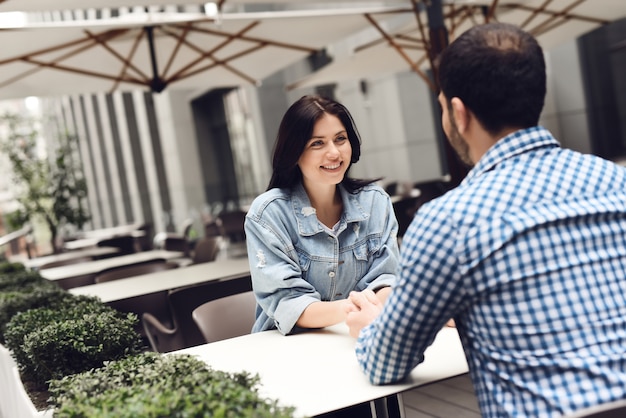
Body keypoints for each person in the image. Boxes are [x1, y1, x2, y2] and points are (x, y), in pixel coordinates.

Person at [345, 22, 626, 418]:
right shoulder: (618, 182)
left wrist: (374, 323)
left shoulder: (448, 222)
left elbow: (385, 363)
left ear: (458, 113)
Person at [244, 94, 400, 336]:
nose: (334, 153)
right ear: (295, 152)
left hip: (357, 337)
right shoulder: (268, 214)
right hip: (290, 348)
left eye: (340, 139)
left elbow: (386, 278)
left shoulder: (374, 202)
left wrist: (373, 308)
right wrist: (354, 308)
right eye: (317, 143)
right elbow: (289, 302)